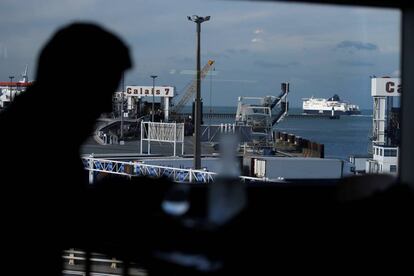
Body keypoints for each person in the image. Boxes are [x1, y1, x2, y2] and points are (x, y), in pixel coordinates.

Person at [0, 22, 131, 275]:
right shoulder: (36, 149)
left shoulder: (35, 137)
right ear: (71, 85)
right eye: (101, 89)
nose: (104, 103)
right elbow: (63, 217)